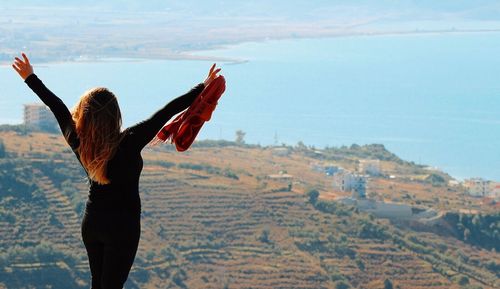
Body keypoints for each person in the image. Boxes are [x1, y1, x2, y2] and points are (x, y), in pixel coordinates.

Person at [12, 53, 221, 289]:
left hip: (92, 224)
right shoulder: (130, 141)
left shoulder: (77, 140)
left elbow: (57, 106)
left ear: (84, 116)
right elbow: (167, 111)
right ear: (115, 116)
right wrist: (203, 86)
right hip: (122, 227)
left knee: (97, 284)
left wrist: (29, 77)